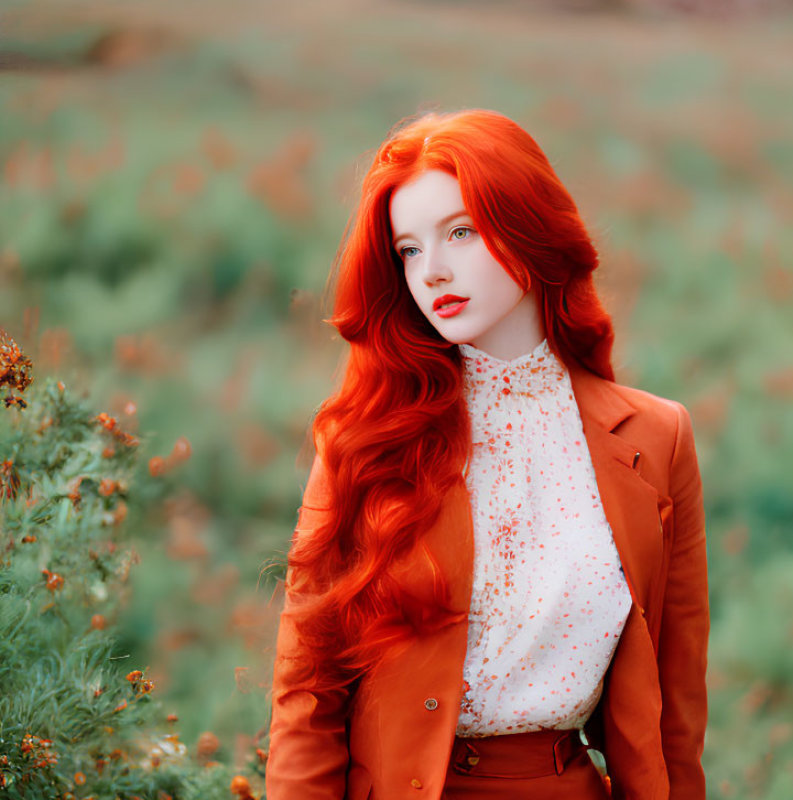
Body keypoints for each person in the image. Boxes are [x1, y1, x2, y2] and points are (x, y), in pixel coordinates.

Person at [265, 108, 709, 800]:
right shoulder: (367, 441)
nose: (432, 271)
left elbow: (675, 710)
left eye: (461, 233)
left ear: (531, 227)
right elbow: (307, 699)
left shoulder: (657, 438)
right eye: (409, 250)